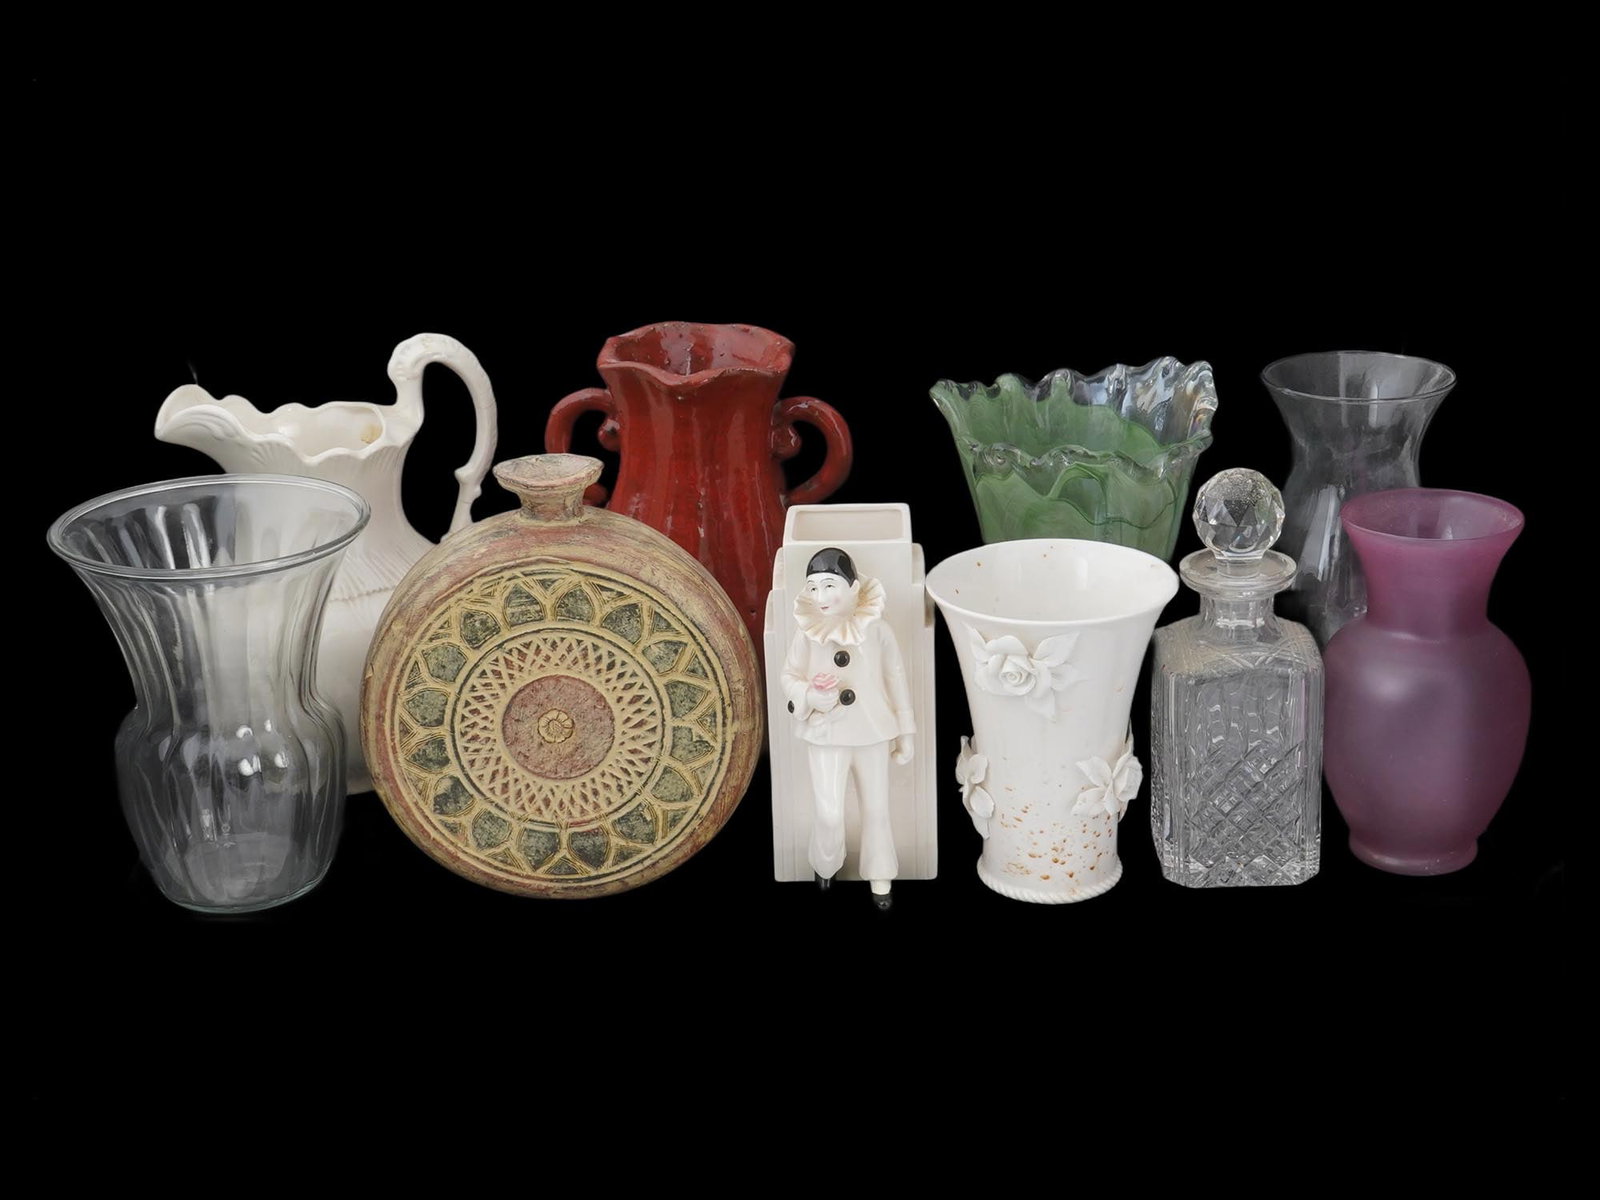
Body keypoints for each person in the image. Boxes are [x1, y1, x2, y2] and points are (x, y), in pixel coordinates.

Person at [782, 548, 914, 910]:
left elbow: (896, 679)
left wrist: (906, 732)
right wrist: (810, 695)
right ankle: (825, 863)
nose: (820, 596)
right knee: (829, 812)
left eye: (829, 585)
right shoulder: (807, 634)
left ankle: (881, 875)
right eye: (813, 588)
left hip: (872, 730)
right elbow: (789, 676)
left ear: (853, 587)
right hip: (826, 733)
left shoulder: (878, 630)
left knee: (877, 808)